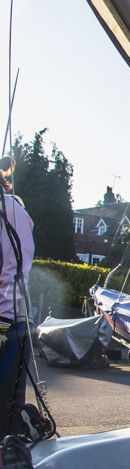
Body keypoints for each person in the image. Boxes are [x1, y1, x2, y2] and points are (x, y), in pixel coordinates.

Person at [0, 156, 36, 437]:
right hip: (10, 319)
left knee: (5, 412)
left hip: (6, 321)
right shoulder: (13, 211)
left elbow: (13, 268)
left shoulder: (9, 210)